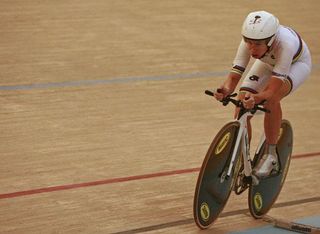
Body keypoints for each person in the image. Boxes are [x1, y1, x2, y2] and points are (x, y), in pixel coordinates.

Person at [214, 10, 312, 178]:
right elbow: (233, 76)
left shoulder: (285, 44)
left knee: (271, 100)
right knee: (241, 101)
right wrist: (225, 90)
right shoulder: (250, 41)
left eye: (257, 44)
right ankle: (241, 155)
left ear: (271, 40)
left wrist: (257, 98)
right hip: (268, 63)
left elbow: (270, 90)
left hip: (296, 65)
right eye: (248, 42)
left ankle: (271, 155)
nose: (251, 48)